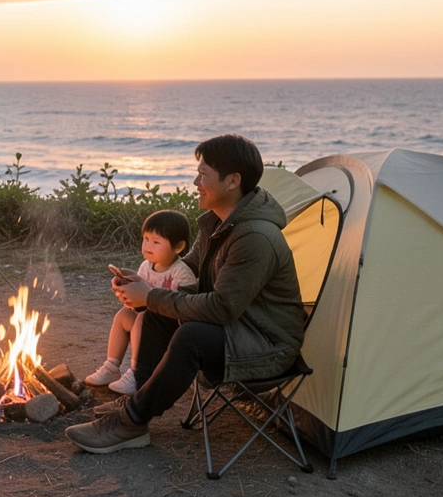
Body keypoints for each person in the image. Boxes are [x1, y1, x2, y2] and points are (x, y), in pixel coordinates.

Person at [65, 134, 305, 454]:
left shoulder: (255, 237)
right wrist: (144, 282)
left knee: (190, 335)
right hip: (240, 330)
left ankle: (131, 419)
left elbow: (222, 308)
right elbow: (186, 270)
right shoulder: (219, 225)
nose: (195, 182)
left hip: (266, 345)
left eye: (203, 174)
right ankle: (137, 412)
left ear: (233, 181)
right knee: (156, 315)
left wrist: (150, 295)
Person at [83, 210, 197, 395]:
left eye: (156, 242)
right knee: (124, 315)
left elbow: (183, 309)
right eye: (145, 239)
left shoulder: (182, 273)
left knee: (142, 318)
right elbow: (139, 301)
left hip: (170, 329)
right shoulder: (146, 266)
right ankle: (112, 366)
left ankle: (137, 373)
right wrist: (125, 291)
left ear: (178, 247)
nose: (148, 246)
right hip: (147, 320)